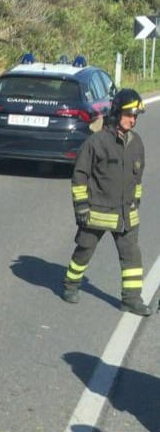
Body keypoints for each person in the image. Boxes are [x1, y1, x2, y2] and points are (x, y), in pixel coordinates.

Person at [62, 88, 150, 315]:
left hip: (126, 213)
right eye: (129, 115)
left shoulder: (136, 143)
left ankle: (132, 299)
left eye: (135, 116)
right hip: (97, 212)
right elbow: (80, 175)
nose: (133, 120)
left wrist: (135, 201)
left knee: (132, 256)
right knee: (84, 250)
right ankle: (71, 284)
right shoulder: (97, 142)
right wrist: (81, 206)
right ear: (117, 113)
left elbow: (137, 178)